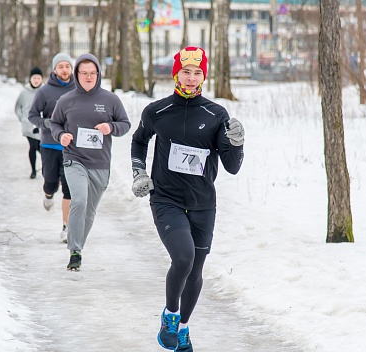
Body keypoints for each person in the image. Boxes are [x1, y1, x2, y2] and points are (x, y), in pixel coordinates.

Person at [130, 46, 245, 351]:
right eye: (186, 71)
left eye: (197, 73)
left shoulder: (216, 114)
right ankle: (170, 315)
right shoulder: (157, 111)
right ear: (176, 73)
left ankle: (183, 329)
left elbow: (232, 166)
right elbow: (139, 141)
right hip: (166, 198)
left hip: (203, 203)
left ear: (203, 75)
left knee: (195, 271)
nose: (191, 78)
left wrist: (238, 144)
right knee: (183, 257)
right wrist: (139, 171)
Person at [50, 53, 131, 271]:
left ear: (98, 74)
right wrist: (61, 136)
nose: (88, 77)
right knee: (79, 200)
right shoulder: (66, 100)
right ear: (77, 75)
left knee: (90, 210)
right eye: (84, 73)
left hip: (100, 163)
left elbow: (125, 124)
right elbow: (55, 123)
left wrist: (111, 127)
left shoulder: (110, 100)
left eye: (92, 73)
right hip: (74, 159)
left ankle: (78, 245)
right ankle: (74, 251)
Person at [28, 53, 75, 242]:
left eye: (67, 66)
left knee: (69, 189)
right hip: (49, 144)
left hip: (71, 148)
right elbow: (32, 115)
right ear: (55, 70)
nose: (64, 70)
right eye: (61, 66)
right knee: (50, 182)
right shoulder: (44, 92)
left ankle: (66, 228)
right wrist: (48, 124)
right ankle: (48, 193)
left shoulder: (78, 90)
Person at [14, 66, 43, 179]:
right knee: (33, 146)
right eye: (34, 78)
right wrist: (22, 119)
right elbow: (17, 107)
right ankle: (33, 170)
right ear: (30, 79)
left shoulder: (45, 91)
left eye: (38, 78)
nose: (36, 80)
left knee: (41, 148)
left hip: (41, 125)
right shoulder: (24, 93)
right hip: (28, 125)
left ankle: (46, 168)